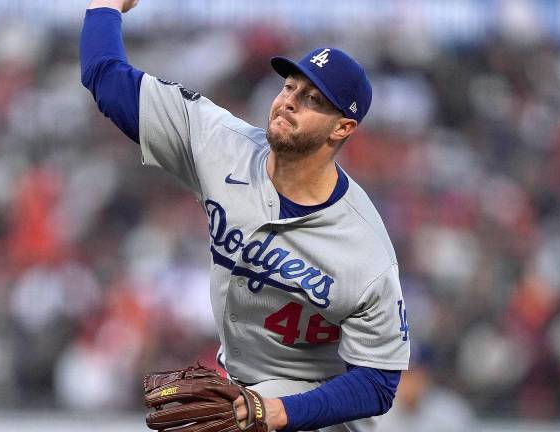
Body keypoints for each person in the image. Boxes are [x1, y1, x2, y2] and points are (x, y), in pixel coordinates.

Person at [80, 1, 410, 430]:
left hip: (319, 410)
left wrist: (278, 411)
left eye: (311, 99)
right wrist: (105, 6)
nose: (289, 102)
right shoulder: (221, 144)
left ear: (342, 128)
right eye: (288, 87)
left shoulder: (365, 251)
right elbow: (107, 80)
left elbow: (379, 383)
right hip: (243, 392)